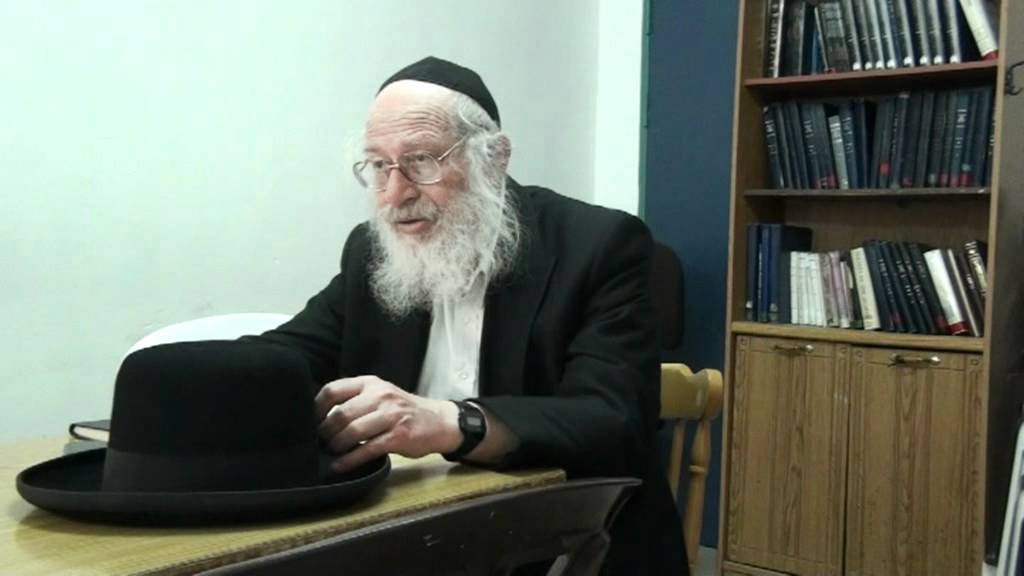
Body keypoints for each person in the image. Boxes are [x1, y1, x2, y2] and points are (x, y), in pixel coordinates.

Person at [254, 56, 686, 574]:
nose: (395, 194)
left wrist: (450, 422)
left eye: (421, 161)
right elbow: (288, 355)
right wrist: (194, 383)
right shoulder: (372, 251)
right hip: (413, 534)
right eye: (379, 166)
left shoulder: (599, 244)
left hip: (568, 541)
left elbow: (612, 420)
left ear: (494, 158)